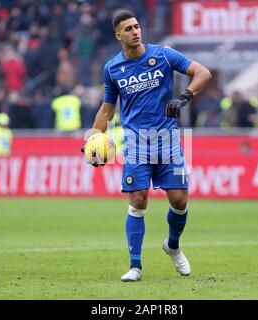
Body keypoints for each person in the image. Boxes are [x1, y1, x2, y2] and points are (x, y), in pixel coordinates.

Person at [81, 11, 211, 281]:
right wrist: (93, 136)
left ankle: (173, 246)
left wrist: (185, 96)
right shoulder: (113, 68)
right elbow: (107, 110)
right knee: (138, 199)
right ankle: (135, 266)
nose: (136, 31)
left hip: (168, 140)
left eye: (137, 26)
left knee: (179, 199)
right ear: (119, 36)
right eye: (128, 29)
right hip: (136, 143)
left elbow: (203, 72)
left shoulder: (163, 54)